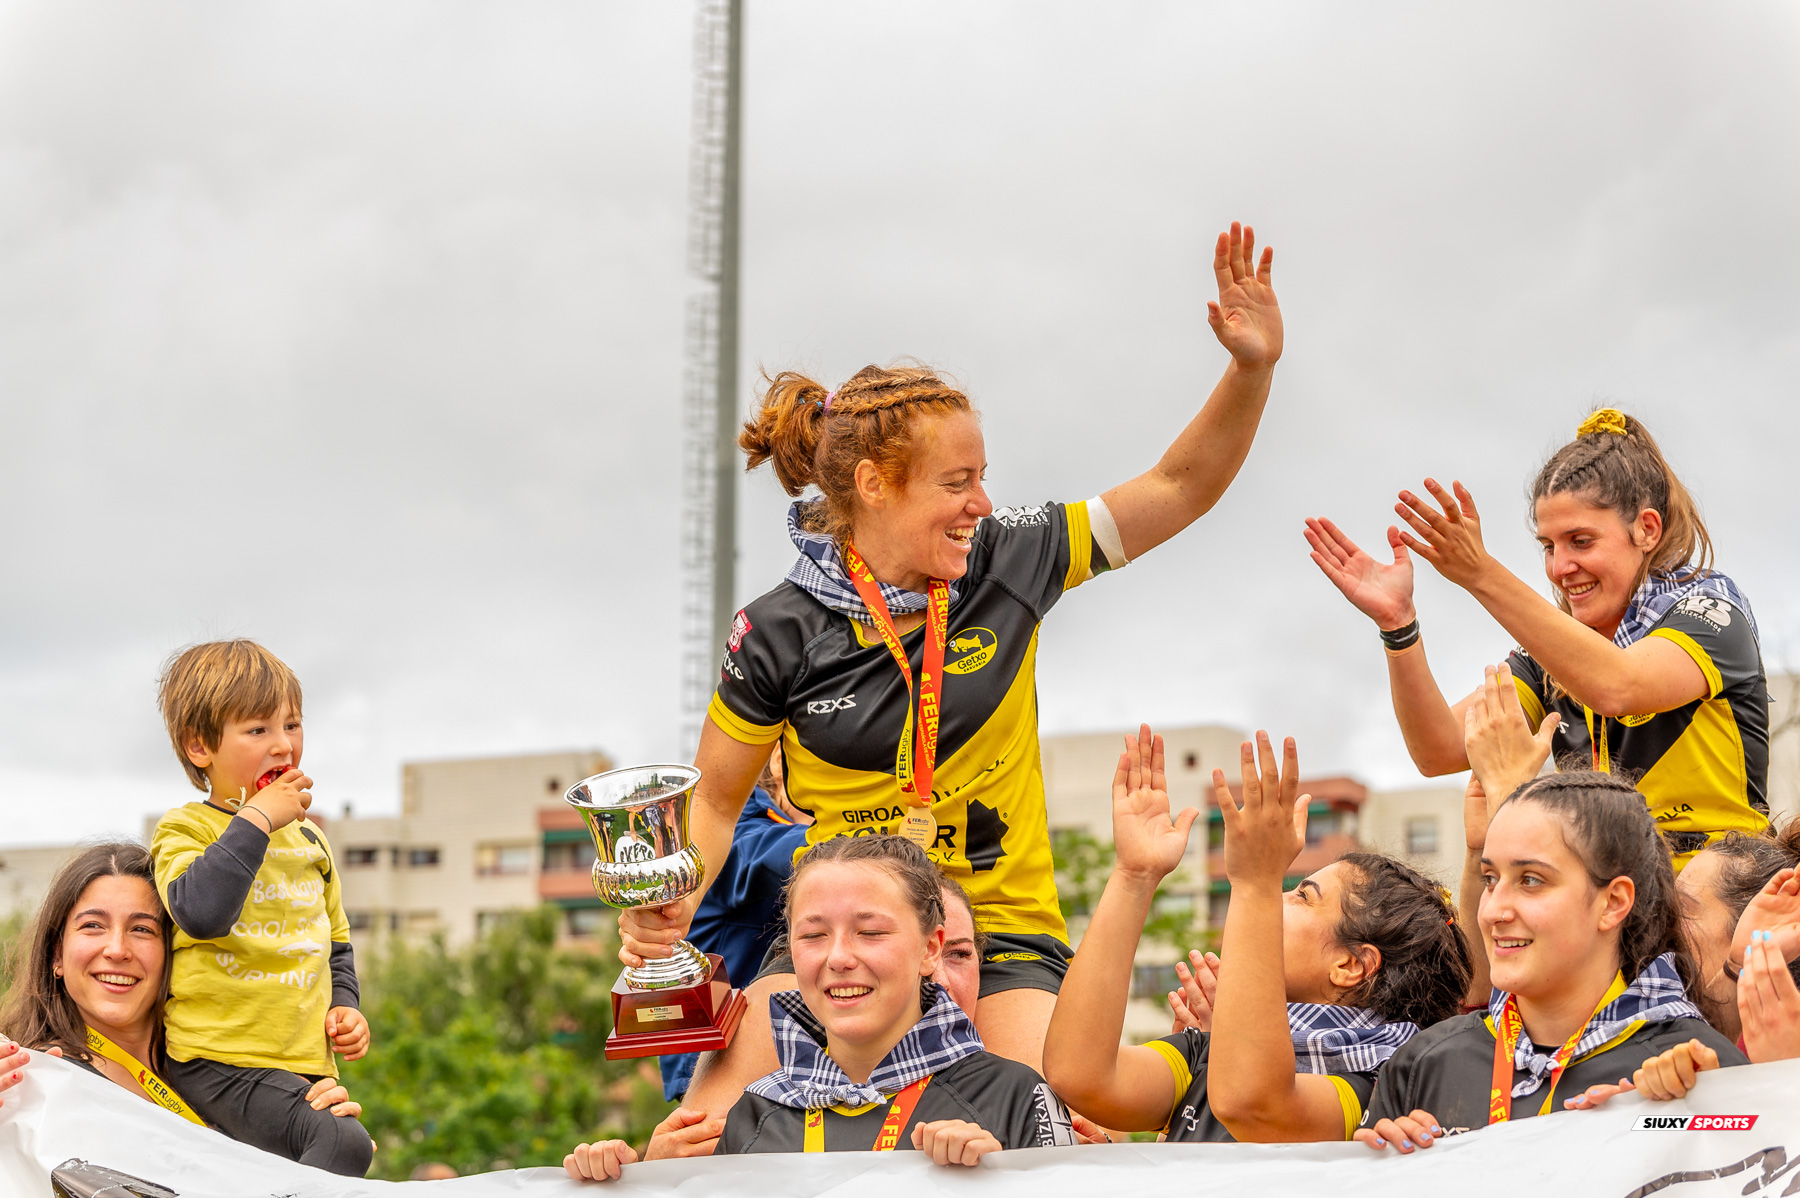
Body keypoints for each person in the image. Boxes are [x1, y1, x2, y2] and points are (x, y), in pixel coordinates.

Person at [633, 220, 1285, 1118]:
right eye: (956, 482)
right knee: (702, 1138)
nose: (982, 503)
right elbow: (711, 804)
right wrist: (666, 902)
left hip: (1002, 931)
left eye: (984, 477)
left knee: (1046, 1132)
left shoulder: (1010, 555)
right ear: (872, 487)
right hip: (844, 938)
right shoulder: (777, 631)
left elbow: (1177, 486)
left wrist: (1250, 371)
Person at [1307, 410, 1769, 869]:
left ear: (1647, 529)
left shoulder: (1711, 608)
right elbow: (1438, 749)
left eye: (1581, 541)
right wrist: (1398, 625)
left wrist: (1480, 573)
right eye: (1549, 546)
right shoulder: (1549, 656)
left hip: (1723, 896)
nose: (1559, 567)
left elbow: (1618, 687)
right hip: (1614, 908)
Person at [1045, 726, 1468, 1143]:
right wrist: (1134, 875)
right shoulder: (1205, 1053)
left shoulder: (1379, 1089)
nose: (1277, 899)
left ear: (1350, 965)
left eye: (1302, 895)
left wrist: (1256, 881)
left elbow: (1253, 1102)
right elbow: (1080, 1075)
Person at [565, 836, 1072, 1180]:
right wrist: (636, 1183)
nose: (839, 958)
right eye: (812, 935)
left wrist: (999, 1181)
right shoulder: (752, 1114)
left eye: (871, 932)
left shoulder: (1016, 1097)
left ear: (930, 949)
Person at [1355, 771, 1744, 1153]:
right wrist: (1388, 1171)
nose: (1493, 911)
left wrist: (1690, 1131)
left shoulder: (1697, 1073)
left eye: (1530, 880)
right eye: (1490, 878)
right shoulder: (1422, 1064)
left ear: (1613, 903)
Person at [146, 640, 374, 1175]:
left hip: (303, 1067)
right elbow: (201, 912)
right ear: (200, 748)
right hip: (216, 1061)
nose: (283, 746)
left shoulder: (311, 842)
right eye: (258, 730)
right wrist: (255, 819)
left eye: (292, 726)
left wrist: (347, 1008)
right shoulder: (187, 828)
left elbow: (335, 947)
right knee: (345, 1145)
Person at [0, 844, 360, 1130]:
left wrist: (311, 1133)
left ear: (176, 951)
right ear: (56, 955)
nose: (116, 950)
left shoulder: (230, 1072)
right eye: (93, 925)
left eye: (142, 929)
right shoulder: (29, 1077)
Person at [660, 750, 812, 1103]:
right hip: (715, 1064)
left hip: (784, 1061)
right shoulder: (729, 822)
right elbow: (759, 860)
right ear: (778, 760)